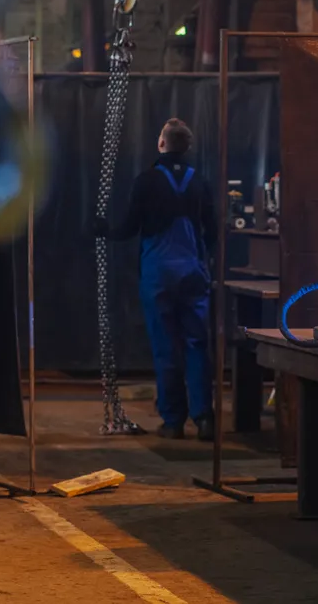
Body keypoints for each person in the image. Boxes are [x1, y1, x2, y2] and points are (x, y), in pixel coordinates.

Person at [96, 118, 216, 440]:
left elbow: (129, 228)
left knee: (166, 347)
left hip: (159, 273)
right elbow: (214, 231)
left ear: (161, 144)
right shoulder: (200, 182)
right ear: (187, 147)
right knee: (197, 345)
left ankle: (173, 422)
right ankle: (205, 419)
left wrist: (103, 229)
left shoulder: (146, 181)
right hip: (193, 271)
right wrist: (209, 265)